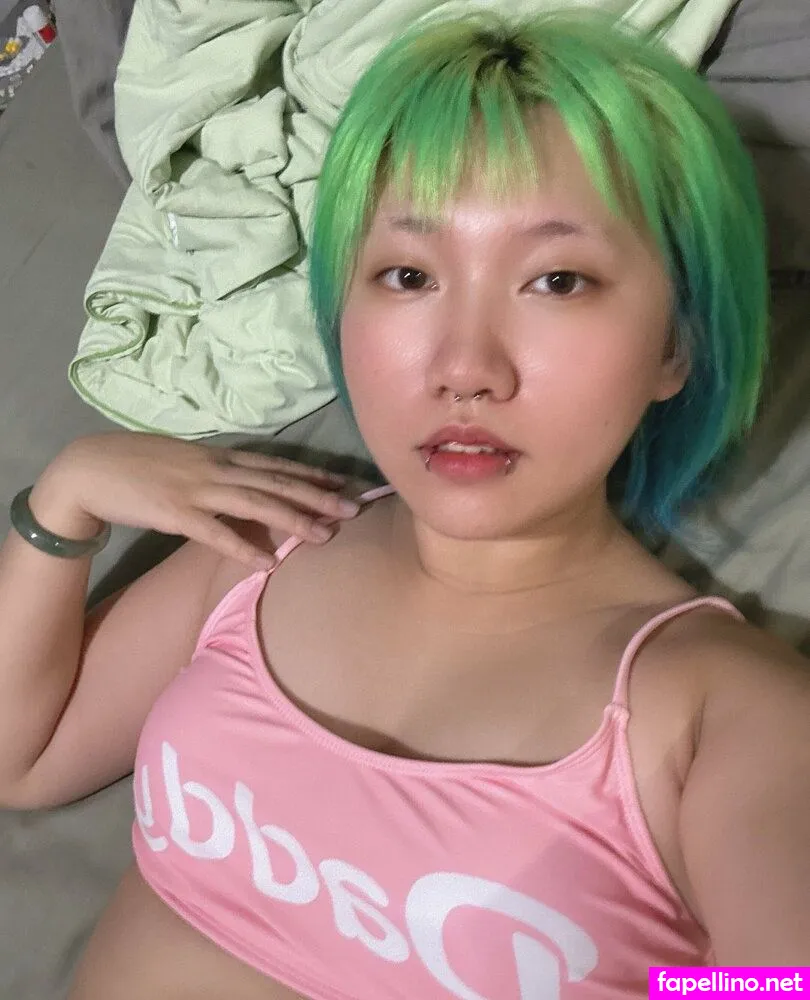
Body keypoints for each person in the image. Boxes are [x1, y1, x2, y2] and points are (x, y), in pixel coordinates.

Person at [0, 9, 808, 999]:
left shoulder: (729, 711)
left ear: (674, 347)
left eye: (558, 280)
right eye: (408, 275)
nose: (465, 366)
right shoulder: (261, 551)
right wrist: (68, 500)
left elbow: (781, 985)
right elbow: (23, 759)